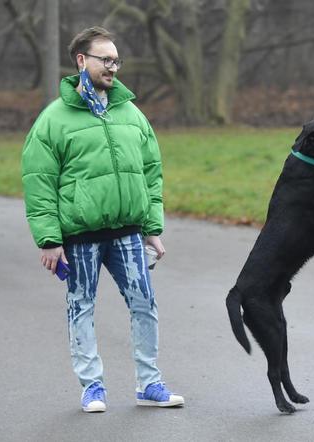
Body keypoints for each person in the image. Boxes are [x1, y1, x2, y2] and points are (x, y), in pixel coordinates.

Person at [21, 26, 184, 413]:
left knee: (144, 303)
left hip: (128, 233)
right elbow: (39, 182)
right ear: (82, 61)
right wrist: (48, 239)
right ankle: (92, 387)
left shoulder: (131, 113)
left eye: (116, 60)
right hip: (79, 237)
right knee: (81, 306)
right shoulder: (53, 120)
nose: (112, 67)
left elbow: (151, 173)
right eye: (104, 59)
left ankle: (149, 384)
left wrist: (153, 227)